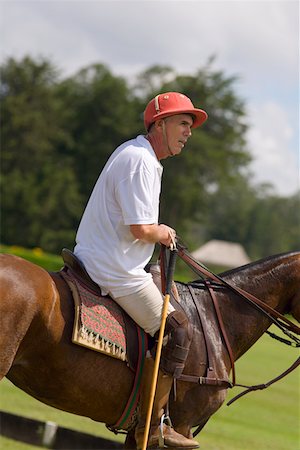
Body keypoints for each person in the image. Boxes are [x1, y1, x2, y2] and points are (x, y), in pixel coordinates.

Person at [74, 92, 208, 449]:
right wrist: (163, 231)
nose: (188, 132)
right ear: (159, 124)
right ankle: (152, 425)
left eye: (190, 126)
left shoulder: (139, 155)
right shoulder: (140, 161)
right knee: (180, 329)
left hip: (112, 258)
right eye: (183, 123)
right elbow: (141, 229)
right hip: (115, 268)